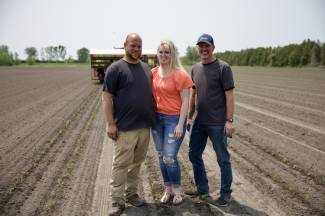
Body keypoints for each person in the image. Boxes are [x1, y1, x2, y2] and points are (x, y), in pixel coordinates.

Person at [102, 33, 155, 216]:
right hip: (125, 127)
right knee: (121, 165)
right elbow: (107, 98)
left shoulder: (147, 68)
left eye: (139, 46)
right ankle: (117, 201)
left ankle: (131, 194)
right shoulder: (115, 69)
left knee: (137, 163)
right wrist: (110, 124)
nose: (136, 49)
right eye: (133, 45)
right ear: (125, 45)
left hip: (144, 127)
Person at [186, 33, 235, 207]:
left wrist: (229, 120)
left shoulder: (223, 68)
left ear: (213, 47)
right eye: (201, 46)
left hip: (217, 123)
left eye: (207, 46)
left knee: (222, 158)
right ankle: (202, 189)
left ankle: (226, 193)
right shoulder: (195, 68)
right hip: (199, 122)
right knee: (193, 154)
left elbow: (229, 95)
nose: (204, 49)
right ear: (198, 48)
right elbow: (194, 94)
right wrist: (190, 117)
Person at [151, 40, 193, 205]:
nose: (163, 55)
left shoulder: (180, 75)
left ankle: (177, 191)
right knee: (162, 156)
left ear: (172, 54)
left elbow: (185, 101)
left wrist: (180, 124)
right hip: (156, 120)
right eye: (161, 52)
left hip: (173, 120)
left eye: (167, 52)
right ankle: (167, 189)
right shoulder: (153, 72)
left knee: (170, 157)